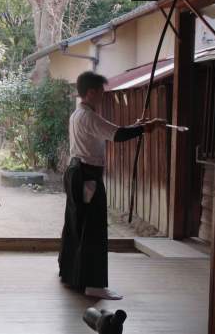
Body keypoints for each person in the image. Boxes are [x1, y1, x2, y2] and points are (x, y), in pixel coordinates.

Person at [59, 71, 166, 300]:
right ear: (91, 92)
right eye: (100, 92)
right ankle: (93, 284)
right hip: (87, 177)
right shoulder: (89, 116)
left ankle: (70, 274)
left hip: (76, 173)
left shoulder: (78, 114)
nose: (102, 96)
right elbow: (117, 135)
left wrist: (137, 126)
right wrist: (148, 127)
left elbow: (111, 131)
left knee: (76, 225)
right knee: (94, 229)